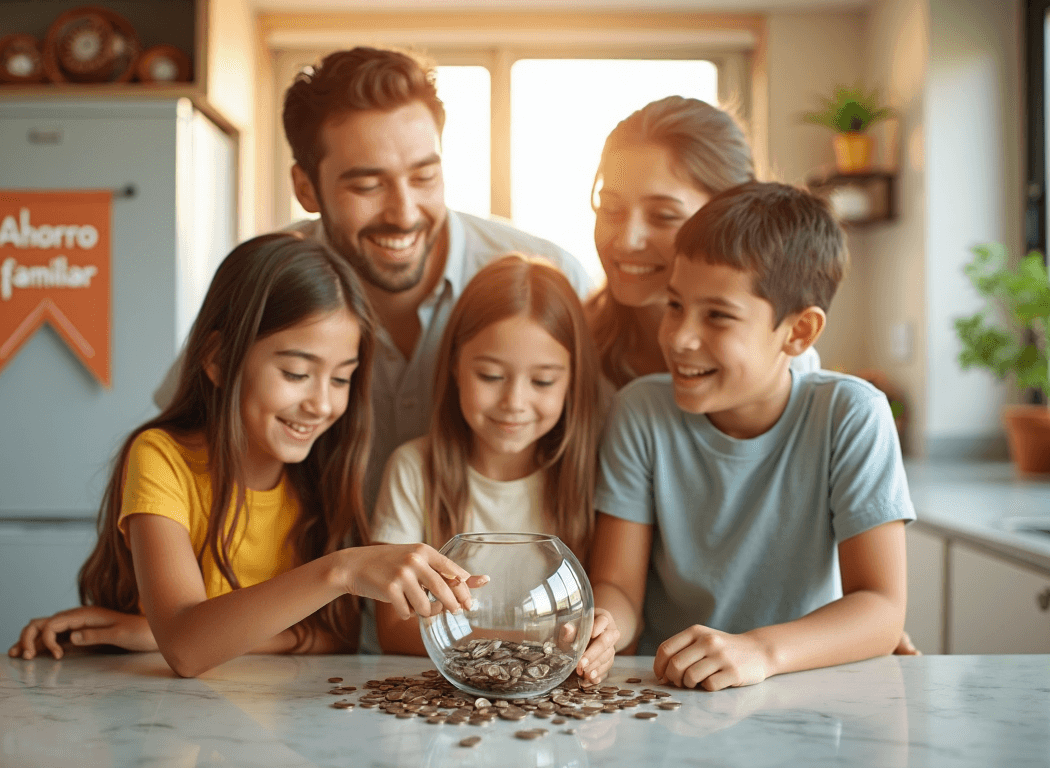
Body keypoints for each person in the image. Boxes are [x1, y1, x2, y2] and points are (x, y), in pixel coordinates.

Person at [9, 234, 484, 675]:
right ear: (218, 360)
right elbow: (188, 648)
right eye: (297, 373)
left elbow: (330, 635)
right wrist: (342, 569)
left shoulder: (323, 469)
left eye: (341, 379)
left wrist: (150, 634)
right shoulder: (160, 458)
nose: (322, 404)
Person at [156, 47, 591, 510]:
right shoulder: (267, 282)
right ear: (305, 188)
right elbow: (184, 439)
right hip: (305, 572)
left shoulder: (549, 277)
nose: (403, 214)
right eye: (367, 186)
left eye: (424, 176)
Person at [588, 182, 914, 691]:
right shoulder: (641, 412)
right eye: (675, 305)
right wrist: (604, 624)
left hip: (797, 689)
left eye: (717, 315)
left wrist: (759, 651)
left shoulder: (850, 415)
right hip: (669, 693)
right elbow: (618, 587)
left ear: (798, 332)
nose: (679, 337)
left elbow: (880, 608)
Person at [369, 255, 621, 682]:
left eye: (542, 382)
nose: (514, 403)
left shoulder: (595, 469)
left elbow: (614, 593)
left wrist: (600, 635)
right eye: (490, 375)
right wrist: (530, 645)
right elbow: (393, 628)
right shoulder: (412, 469)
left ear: (572, 380)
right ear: (454, 366)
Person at [586, 96, 820, 390]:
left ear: (731, 218)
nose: (626, 241)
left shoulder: (784, 365)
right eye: (611, 210)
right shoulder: (566, 349)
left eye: (663, 215)